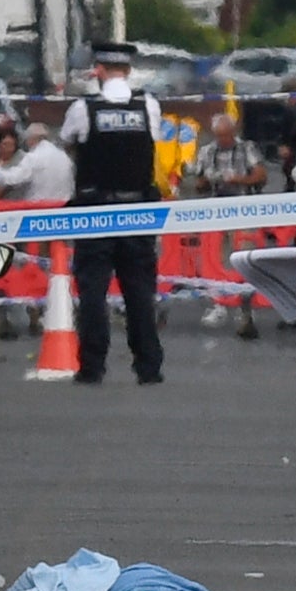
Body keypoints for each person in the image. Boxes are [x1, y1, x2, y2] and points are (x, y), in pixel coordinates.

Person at [55, 39, 173, 386]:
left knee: (92, 291)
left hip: (96, 211)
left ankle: (92, 366)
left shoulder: (83, 108)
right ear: (129, 70)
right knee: (139, 291)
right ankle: (148, 366)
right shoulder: (147, 105)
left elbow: (68, 141)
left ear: (99, 71)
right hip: (138, 210)